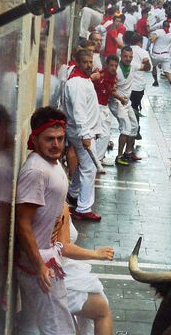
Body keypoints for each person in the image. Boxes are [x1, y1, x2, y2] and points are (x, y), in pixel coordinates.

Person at [15, 106, 75, 334]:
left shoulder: (53, 162)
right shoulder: (36, 172)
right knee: (58, 329)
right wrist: (40, 266)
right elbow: (23, 222)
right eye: (49, 139)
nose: (56, 144)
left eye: (60, 138)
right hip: (39, 263)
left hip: (47, 256)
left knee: (34, 325)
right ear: (35, 139)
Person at [52, 204, 114, 334]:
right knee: (102, 310)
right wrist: (96, 254)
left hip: (55, 268)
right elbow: (63, 247)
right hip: (54, 271)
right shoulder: (58, 200)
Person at [63, 50, 102, 222]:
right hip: (82, 133)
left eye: (90, 61)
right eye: (85, 62)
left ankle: (73, 194)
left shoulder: (82, 79)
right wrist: (85, 134)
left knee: (83, 166)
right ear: (77, 63)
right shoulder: (77, 83)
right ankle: (83, 208)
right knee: (89, 168)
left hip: (83, 132)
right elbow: (79, 111)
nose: (89, 65)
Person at [110, 46, 150, 165]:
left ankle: (128, 152)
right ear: (121, 56)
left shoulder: (133, 67)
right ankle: (119, 156)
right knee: (126, 127)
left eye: (130, 57)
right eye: (125, 56)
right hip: (117, 102)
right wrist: (119, 97)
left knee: (134, 126)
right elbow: (110, 88)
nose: (128, 59)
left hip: (127, 102)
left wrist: (147, 62)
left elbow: (146, 68)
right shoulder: (115, 69)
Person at [130, 34, 151, 140]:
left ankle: (130, 127)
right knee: (135, 106)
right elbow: (149, 68)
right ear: (140, 42)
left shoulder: (125, 51)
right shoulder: (143, 52)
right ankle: (135, 129)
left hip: (126, 84)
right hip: (138, 86)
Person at [150, 21, 171, 92]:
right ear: (169, 27)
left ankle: (155, 81)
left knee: (154, 67)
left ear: (162, 26)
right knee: (167, 72)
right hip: (165, 56)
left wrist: (152, 39)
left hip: (156, 55)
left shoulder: (158, 31)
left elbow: (152, 39)